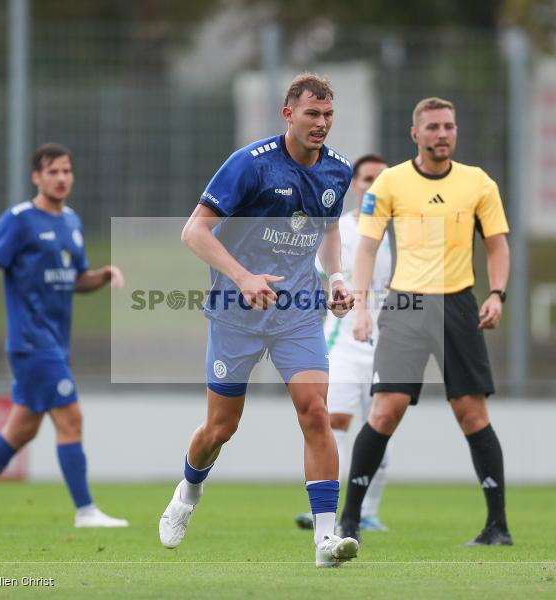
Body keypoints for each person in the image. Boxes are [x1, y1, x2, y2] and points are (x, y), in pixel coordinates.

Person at [158, 73, 360, 568]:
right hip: (237, 312)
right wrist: (245, 277)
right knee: (220, 428)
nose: (322, 123)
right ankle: (187, 492)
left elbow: (329, 229)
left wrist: (335, 276)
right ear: (287, 114)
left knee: (315, 411)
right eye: (312, 113)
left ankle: (325, 541)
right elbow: (194, 232)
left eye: (328, 114)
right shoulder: (249, 165)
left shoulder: (339, 171)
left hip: (297, 314)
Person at [338, 97, 513, 546]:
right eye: (433, 127)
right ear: (415, 134)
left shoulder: (478, 183)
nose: (442, 134)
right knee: (385, 410)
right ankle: (349, 521)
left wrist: (496, 293)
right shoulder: (392, 181)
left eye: (449, 126)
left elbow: (496, 244)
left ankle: (497, 526)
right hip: (405, 306)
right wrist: (361, 307)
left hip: (457, 305)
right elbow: (366, 247)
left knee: (472, 413)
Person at [0, 143, 127, 529]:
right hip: (30, 342)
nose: (61, 178)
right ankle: (85, 510)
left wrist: (101, 276)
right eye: (53, 172)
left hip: (55, 342)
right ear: (36, 177)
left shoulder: (72, 222)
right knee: (71, 418)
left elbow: (75, 280)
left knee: (22, 429)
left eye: (67, 171)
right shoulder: (18, 220)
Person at [295, 154, 394, 533]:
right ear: (355, 184)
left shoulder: (401, 232)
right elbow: (317, 276)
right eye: (367, 178)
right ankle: (324, 508)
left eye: (381, 179)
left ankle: (367, 510)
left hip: (388, 341)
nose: (373, 185)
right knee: (331, 417)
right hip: (343, 338)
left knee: (380, 424)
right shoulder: (343, 229)